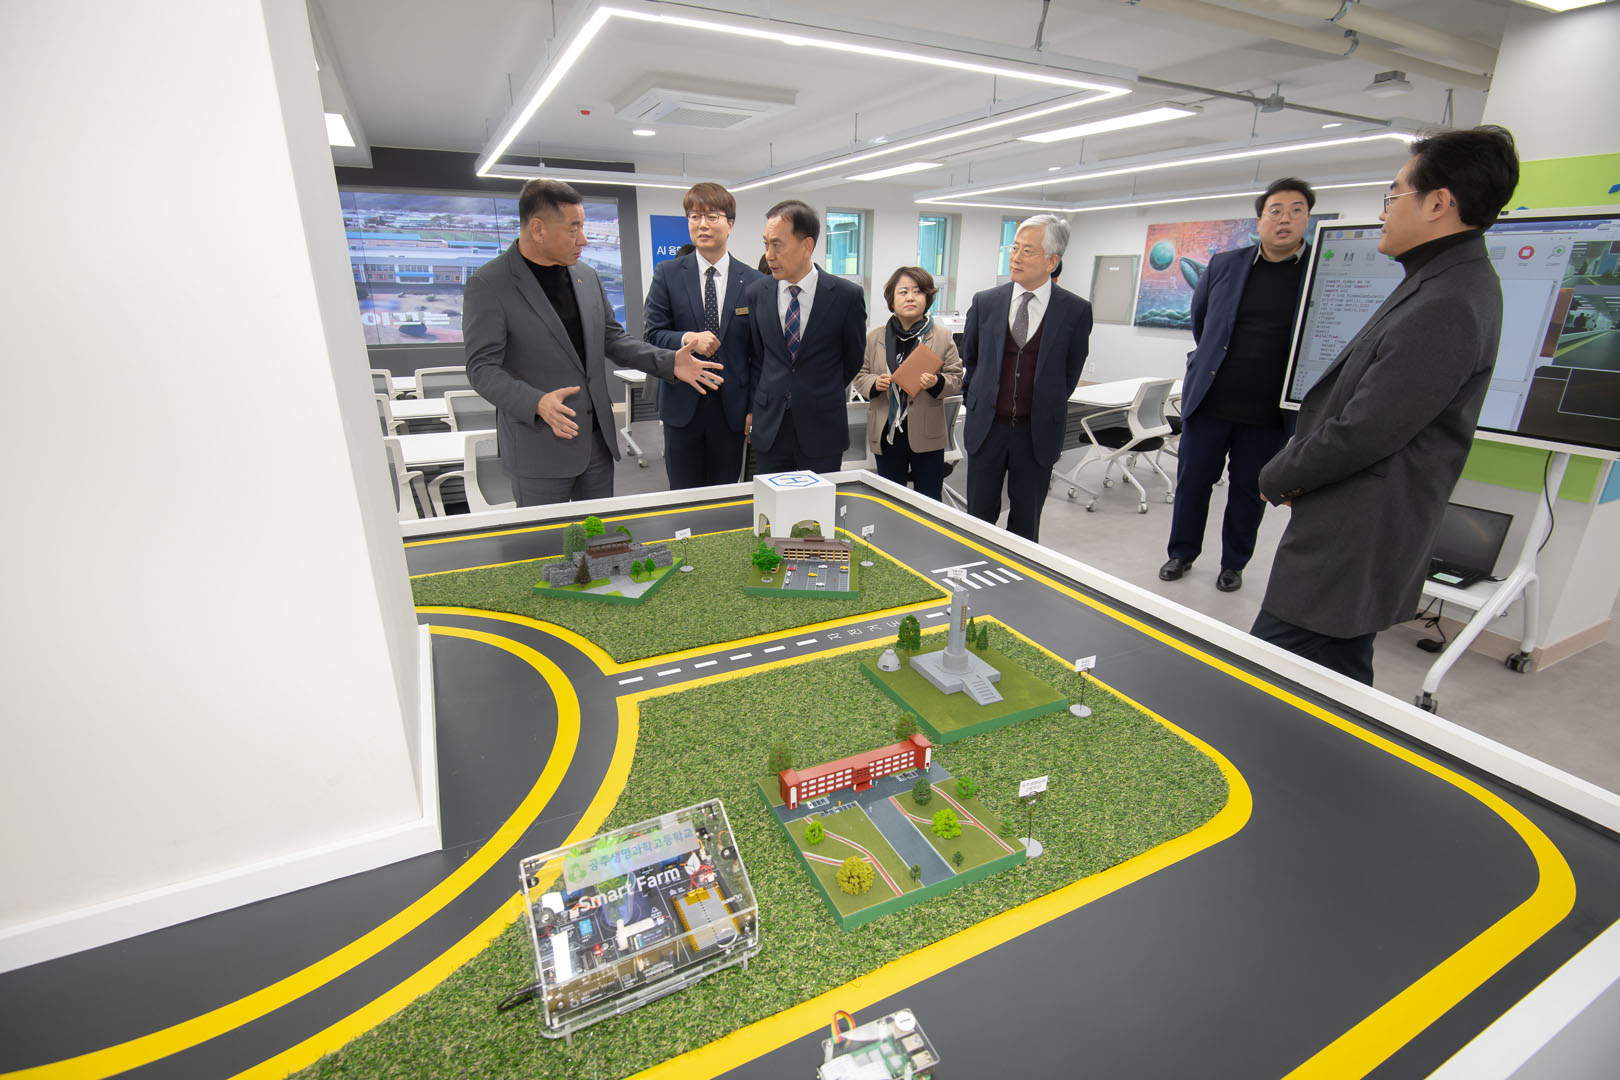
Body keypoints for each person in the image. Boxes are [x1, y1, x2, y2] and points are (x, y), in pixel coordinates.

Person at [1252, 125, 1520, 683]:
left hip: (1354, 538)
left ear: (1438, 204)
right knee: (1337, 673)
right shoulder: (1444, 280)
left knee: (1262, 675)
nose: (1383, 212)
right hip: (1354, 530)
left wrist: (1276, 475)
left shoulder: (1448, 301)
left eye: (1394, 195)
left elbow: (1366, 429)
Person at [464, 179, 722, 506]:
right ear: (538, 229)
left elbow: (612, 339)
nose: (583, 239)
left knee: (599, 535)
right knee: (548, 537)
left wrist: (669, 362)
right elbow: (482, 368)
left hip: (596, 445)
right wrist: (536, 402)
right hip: (538, 448)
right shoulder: (490, 284)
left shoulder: (585, 275)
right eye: (573, 229)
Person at [1160, 177, 1317, 593]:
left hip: (1268, 411)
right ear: (1260, 219)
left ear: (1307, 219)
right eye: (1275, 211)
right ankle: (1181, 553)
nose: (1285, 219)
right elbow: (1202, 323)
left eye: (1296, 211)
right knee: (1193, 482)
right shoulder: (1226, 264)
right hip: (1212, 400)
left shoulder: (1317, 271)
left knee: (1249, 490)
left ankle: (1234, 563)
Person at [960, 214, 1092, 542]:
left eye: (1027, 251)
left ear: (1052, 261)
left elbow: (1070, 372)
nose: (1016, 257)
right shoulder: (986, 302)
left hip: (1036, 434)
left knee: (1026, 524)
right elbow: (972, 360)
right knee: (977, 520)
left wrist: (1045, 404)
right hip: (987, 429)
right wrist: (978, 402)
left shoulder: (1075, 311)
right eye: (1014, 248)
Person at [643, 183, 762, 489]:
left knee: (724, 493)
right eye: (694, 217)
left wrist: (753, 407)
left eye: (711, 217)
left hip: (731, 409)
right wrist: (688, 339)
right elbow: (652, 335)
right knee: (683, 495)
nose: (702, 225)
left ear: (730, 224)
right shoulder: (668, 274)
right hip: (682, 406)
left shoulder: (753, 282)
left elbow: (759, 354)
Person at [744, 200, 867, 473]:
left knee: (820, 501)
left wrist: (818, 389)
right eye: (766, 244)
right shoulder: (757, 294)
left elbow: (853, 359)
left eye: (777, 245)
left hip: (822, 426)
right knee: (771, 500)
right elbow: (758, 357)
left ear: (807, 246)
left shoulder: (846, 296)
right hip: (771, 426)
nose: (769, 255)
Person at [852, 266, 963, 500]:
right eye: (903, 292)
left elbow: (956, 377)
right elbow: (859, 375)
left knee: (929, 500)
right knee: (891, 499)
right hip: (887, 431)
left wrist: (936, 381)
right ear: (892, 299)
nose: (910, 297)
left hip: (927, 433)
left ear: (927, 298)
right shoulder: (875, 337)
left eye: (917, 291)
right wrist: (875, 382)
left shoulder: (942, 337)